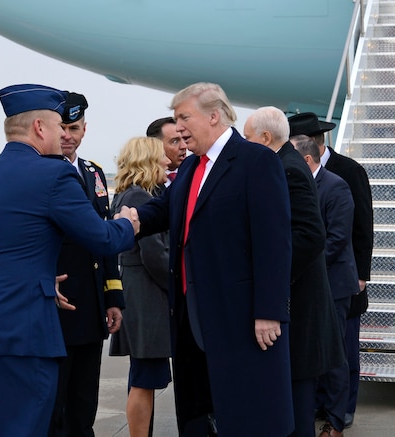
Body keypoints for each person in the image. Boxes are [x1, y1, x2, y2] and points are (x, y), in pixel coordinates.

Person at [0, 84, 139, 437]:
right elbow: (101, 238)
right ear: (39, 127)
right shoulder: (55, 175)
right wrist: (127, 224)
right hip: (22, 332)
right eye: (59, 127)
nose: (62, 136)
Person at [136, 82, 294, 436]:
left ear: (213, 115)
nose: (178, 127)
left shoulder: (256, 161)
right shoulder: (192, 168)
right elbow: (165, 211)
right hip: (191, 315)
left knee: (247, 411)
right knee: (198, 410)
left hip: (237, 314)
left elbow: (274, 242)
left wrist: (269, 310)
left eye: (184, 117)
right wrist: (131, 220)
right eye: (176, 119)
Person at [244, 107, 344, 437]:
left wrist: (273, 278)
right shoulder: (281, 163)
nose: (245, 144)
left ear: (265, 138)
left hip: (299, 305)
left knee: (298, 403)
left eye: (248, 138)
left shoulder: (288, 169)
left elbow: (309, 235)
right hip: (295, 304)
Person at [289, 112, 374, 428]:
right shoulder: (301, 177)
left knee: (341, 351)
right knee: (317, 350)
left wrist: (361, 274)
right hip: (312, 281)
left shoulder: (345, 175)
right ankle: (317, 406)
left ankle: (338, 415)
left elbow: (356, 229)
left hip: (336, 279)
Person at [50, 92, 124, 437]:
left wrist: (113, 298)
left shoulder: (93, 172)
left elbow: (104, 236)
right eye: (62, 127)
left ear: (84, 129)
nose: (68, 135)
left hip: (92, 306)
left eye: (74, 127)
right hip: (57, 303)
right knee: (56, 405)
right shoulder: (42, 171)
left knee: (84, 401)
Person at [109, 136, 172, 437]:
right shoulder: (140, 199)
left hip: (136, 290)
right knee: (145, 378)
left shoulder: (125, 195)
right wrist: (177, 286)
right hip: (147, 296)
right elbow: (154, 254)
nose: (167, 162)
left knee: (142, 375)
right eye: (161, 157)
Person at [146, 117, 187, 186]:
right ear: (156, 147)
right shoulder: (145, 184)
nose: (184, 146)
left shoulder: (195, 173)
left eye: (184, 138)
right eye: (175, 141)